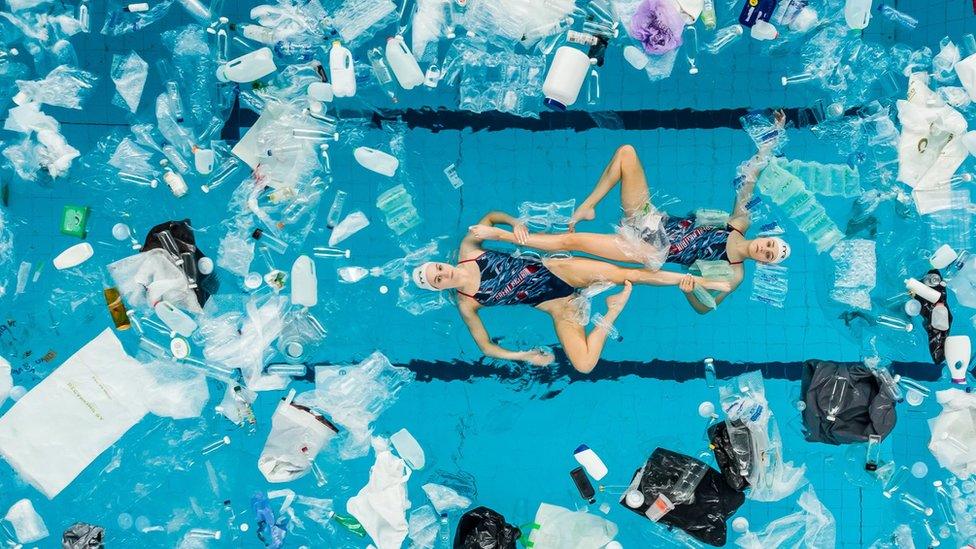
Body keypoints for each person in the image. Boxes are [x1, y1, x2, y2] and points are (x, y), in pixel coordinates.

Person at [474, 142, 791, 314]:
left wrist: (691, 291)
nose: (765, 250)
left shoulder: (734, 274)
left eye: (769, 255)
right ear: (764, 238)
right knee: (627, 154)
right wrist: (767, 147)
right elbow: (749, 181)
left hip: (650, 249)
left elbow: (704, 308)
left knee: (574, 242)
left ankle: (501, 236)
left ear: (764, 263)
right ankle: (589, 205)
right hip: (651, 220)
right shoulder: (739, 223)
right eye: (770, 245)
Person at [411, 211, 731, 374]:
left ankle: (704, 282)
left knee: (630, 274)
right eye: (437, 279)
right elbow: (486, 347)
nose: (443, 273)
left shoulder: (469, 248)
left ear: (440, 262)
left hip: (557, 269)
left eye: (438, 268)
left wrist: (515, 225)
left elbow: (493, 217)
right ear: (439, 288)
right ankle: (612, 311)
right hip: (555, 304)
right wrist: (525, 356)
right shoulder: (467, 306)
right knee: (584, 364)